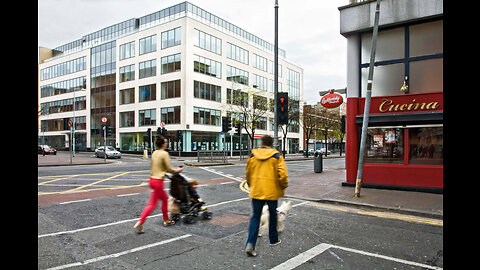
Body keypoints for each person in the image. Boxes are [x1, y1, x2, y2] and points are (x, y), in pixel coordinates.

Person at [245, 135, 288, 257]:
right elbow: (282, 175)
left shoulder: (253, 155)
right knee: (273, 214)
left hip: (257, 190)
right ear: (271, 143)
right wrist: (283, 186)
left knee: (255, 217)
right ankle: (273, 239)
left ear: (261, 142)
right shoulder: (277, 156)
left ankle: (250, 244)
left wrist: (250, 184)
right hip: (271, 191)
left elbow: (248, 173)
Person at [134, 135, 183, 233]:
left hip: (152, 180)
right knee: (152, 204)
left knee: (165, 200)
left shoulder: (154, 153)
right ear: (163, 144)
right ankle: (140, 222)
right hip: (158, 182)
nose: (167, 143)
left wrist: (163, 172)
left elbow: (156, 167)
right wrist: (179, 170)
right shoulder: (164, 154)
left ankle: (166, 220)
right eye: (166, 142)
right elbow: (170, 169)